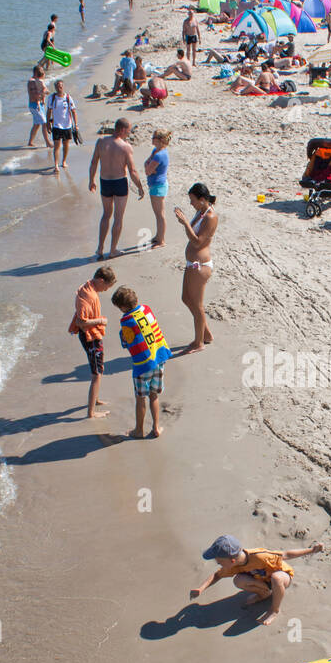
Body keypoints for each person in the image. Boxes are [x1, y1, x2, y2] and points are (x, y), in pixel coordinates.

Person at [190, 534, 324, 627]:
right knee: (238, 580)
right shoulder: (233, 565)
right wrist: (201, 589)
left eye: (219, 562)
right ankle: (264, 594)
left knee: (276, 578)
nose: (218, 564)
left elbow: (286, 554)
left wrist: (312, 550)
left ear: (231, 560)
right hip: (263, 581)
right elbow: (217, 575)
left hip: (282, 576)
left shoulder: (260, 556)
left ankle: (274, 610)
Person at [110, 285, 172, 438]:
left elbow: (128, 343)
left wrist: (122, 335)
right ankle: (156, 428)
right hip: (158, 358)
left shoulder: (126, 322)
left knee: (140, 398)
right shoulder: (146, 309)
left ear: (123, 307)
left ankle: (139, 430)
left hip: (143, 365)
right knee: (154, 396)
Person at [87, 117, 144, 259]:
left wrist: (91, 180)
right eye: (129, 131)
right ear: (123, 130)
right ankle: (112, 250)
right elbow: (132, 171)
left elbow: (94, 162)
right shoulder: (125, 147)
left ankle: (100, 249)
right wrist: (140, 187)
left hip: (105, 181)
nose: (129, 133)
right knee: (118, 217)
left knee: (106, 215)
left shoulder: (101, 142)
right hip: (119, 183)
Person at [68, 264, 116, 418]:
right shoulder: (88, 295)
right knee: (97, 373)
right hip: (90, 337)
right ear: (101, 280)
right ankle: (91, 412)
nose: (107, 290)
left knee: (99, 370)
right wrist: (101, 320)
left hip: (89, 336)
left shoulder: (87, 287)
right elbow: (82, 322)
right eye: (107, 286)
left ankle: (95, 399)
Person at [174, 183, 217, 352]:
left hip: (201, 265)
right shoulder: (201, 212)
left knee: (198, 304)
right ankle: (205, 333)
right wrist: (185, 221)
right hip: (192, 263)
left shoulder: (210, 217)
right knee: (186, 298)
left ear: (202, 199)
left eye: (192, 200)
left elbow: (198, 242)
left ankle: (199, 342)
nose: (191, 203)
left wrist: (185, 223)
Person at [143, 130, 172, 248]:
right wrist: (149, 167)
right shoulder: (156, 151)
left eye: (153, 137)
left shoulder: (159, 155)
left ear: (160, 140)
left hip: (158, 186)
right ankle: (158, 236)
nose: (151, 139)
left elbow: (147, 170)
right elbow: (146, 164)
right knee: (158, 214)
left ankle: (161, 241)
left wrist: (149, 168)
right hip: (157, 184)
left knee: (160, 214)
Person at [46, 79, 78, 175]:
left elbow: (73, 111)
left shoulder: (68, 98)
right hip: (56, 125)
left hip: (67, 125)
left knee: (66, 145)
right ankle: (56, 165)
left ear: (63, 87)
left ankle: (63, 161)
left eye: (61, 86)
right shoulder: (51, 98)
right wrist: (48, 123)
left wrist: (76, 125)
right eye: (58, 86)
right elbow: (49, 111)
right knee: (56, 146)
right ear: (55, 88)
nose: (59, 88)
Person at [26, 65, 52, 148]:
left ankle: (30, 142)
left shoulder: (40, 81)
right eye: (40, 73)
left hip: (40, 105)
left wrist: (44, 91)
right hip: (34, 105)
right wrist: (42, 93)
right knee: (44, 123)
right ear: (36, 73)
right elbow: (34, 95)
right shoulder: (32, 82)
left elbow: (47, 91)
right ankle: (47, 142)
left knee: (36, 124)